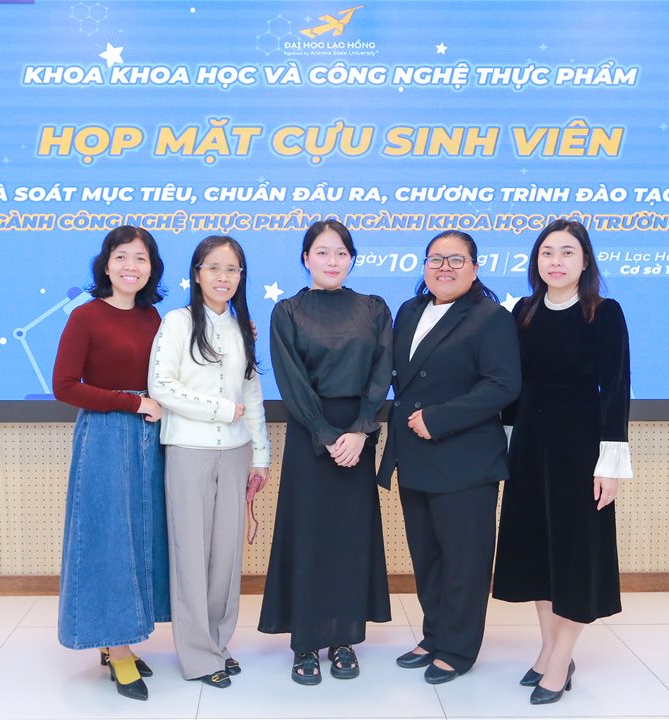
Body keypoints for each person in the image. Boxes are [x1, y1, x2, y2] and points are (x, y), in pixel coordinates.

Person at [492, 218, 632, 705]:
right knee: (538, 552)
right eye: (547, 252)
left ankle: (560, 659)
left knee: (574, 555)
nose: (556, 261)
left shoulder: (604, 313)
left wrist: (610, 463)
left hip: (581, 450)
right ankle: (550, 649)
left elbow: (616, 389)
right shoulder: (524, 311)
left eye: (567, 252)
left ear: (585, 260)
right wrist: (506, 444)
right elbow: (513, 387)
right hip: (530, 447)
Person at [377, 230, 521, 684]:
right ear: (424, 266)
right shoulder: (409, 310)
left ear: (475, 268)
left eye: (456, 260)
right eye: (436, 259)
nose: (445, 267)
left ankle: (458, 649)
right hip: (414, 456)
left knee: (464, 562)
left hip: (465, 460)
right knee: (428, 557)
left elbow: (503, 384)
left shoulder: (491, 318)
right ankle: (435, 634)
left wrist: (438, 418)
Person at [258, 219, 393, 685]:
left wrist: (360, 431)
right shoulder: (288, 311)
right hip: (310, 434)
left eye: (341, 253)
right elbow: (291, 380)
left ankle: (343, 639)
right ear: (305, 258)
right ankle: (305, 643)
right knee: (308, 534)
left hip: (359, 433)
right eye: (322, 252)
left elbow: (382, 371)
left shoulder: (373, 308)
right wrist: (325, 432)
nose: (332, 261)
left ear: (352, 258)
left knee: (350, 538)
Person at [52, 226, 170, 702]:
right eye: (121, 257)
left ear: (151, 268)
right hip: (104, 437)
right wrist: (131, 403)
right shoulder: (85, 316)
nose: (130, 266)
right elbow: (65, 386)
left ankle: (119, 636)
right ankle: (117, 648)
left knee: (140, 537)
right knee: (108, 539)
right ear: (106, 264)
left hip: (151, 436)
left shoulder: (153, 317)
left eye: (140, 258)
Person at [147, 236, 271, 689]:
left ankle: (218, 643)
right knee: (191, 555)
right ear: (196, 273)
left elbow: (251, 394)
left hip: (235, 454)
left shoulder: (242, 328)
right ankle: (198, 655)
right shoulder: (177, 322)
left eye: (232, 269)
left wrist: (261, 455)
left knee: (226, 557)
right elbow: (161, 386)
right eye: (213, 267)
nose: (223, 277)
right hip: (189, 452)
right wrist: (220, 409)